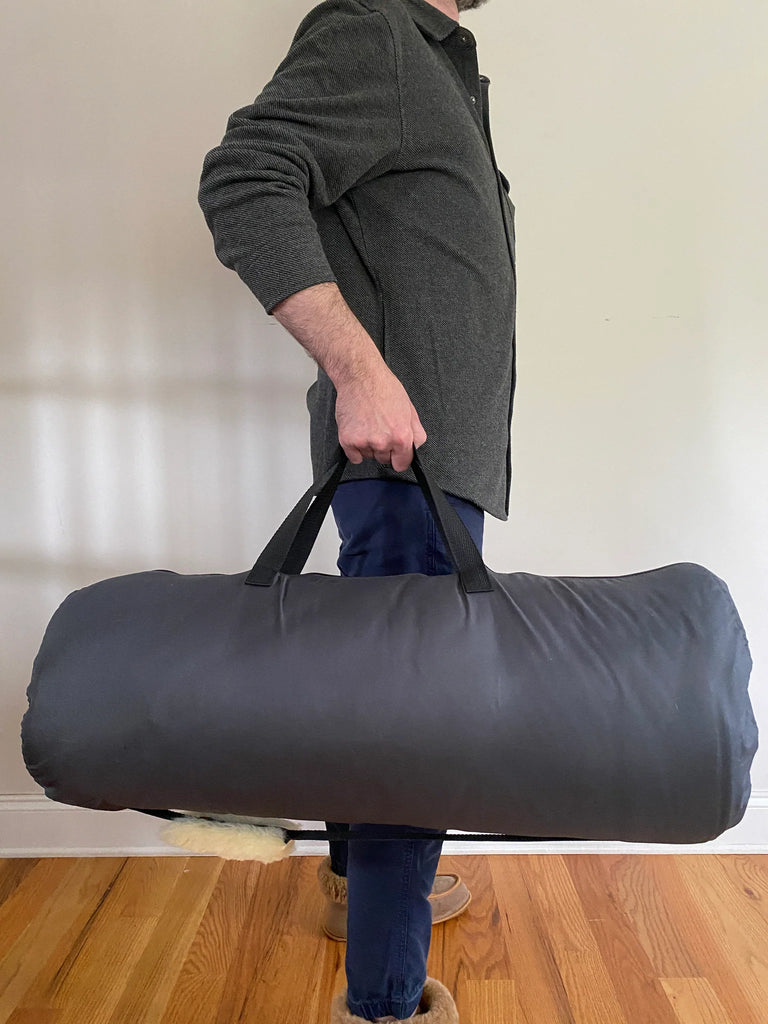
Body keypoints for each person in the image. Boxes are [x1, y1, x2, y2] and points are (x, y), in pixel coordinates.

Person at [197, 0, 514, 1019]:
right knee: (409, 725)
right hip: (406, 462)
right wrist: (362, 373)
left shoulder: (437, 58)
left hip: (424, 466)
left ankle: (361, 886)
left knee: (376, 698)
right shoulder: (376, 28)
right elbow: (245, 176)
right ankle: (384, 1002)